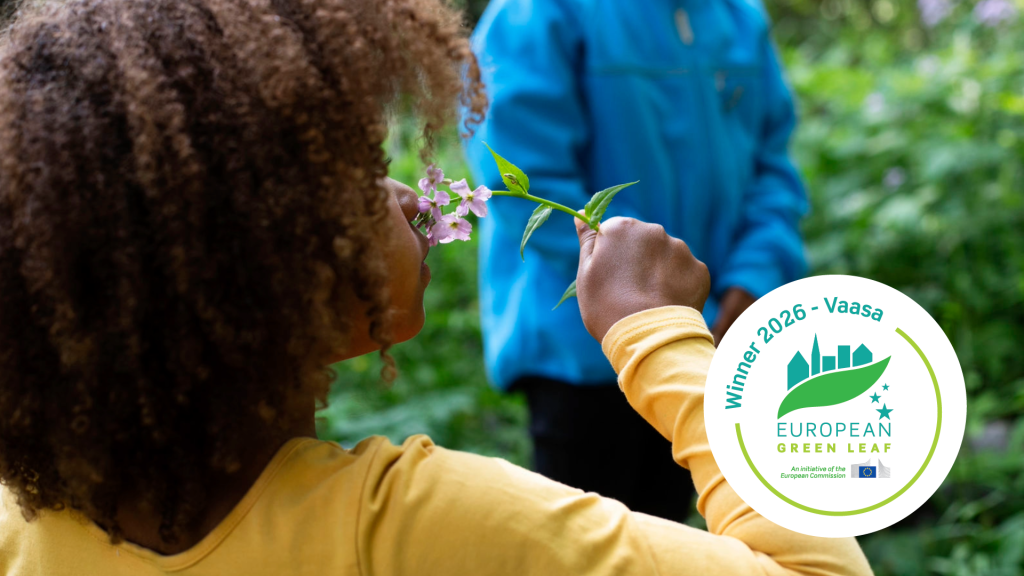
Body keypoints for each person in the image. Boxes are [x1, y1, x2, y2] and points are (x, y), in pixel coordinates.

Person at [0, 0, 870, 574]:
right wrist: (662, 338)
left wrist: (749, 276)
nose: (409, 193)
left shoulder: (24, 529)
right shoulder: (430, 525)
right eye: (360, 170)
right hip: (595, 352)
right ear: (248, 264)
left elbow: (771, 164)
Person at [463, 0, 809, 521]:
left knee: (678, 535)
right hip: (581, 358)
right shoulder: (539, 14)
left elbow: (774, 168)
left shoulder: (738, 17)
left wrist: (751, 280)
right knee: (588, 544)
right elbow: (524, 180)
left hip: (709, 341)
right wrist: (639, 302)